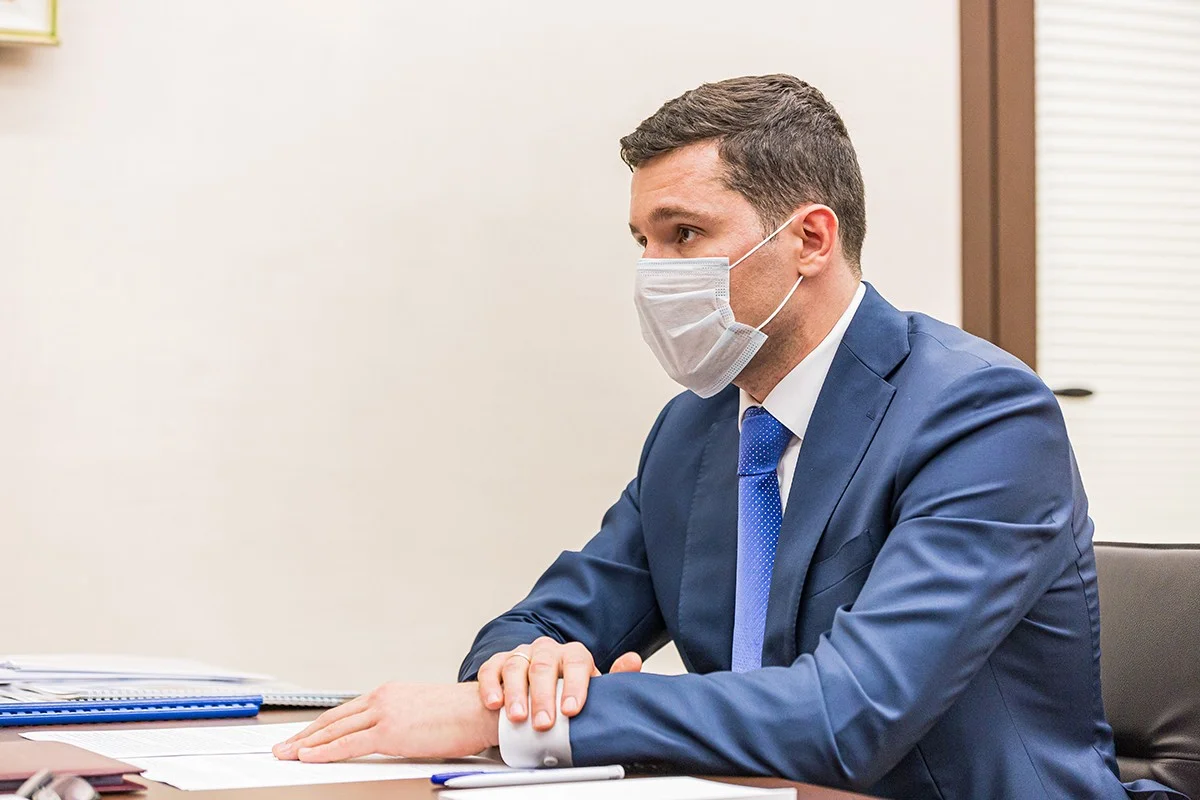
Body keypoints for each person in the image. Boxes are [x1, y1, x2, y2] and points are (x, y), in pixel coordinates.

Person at [272, 75, 1184, 799]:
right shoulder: (699, 426)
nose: (652, 272)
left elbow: (847, 716)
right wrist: (523, 676)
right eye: (641, 240)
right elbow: (541, 623)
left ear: (811, 239)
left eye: (684, 234)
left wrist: (509, 721)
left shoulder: (981, 414)